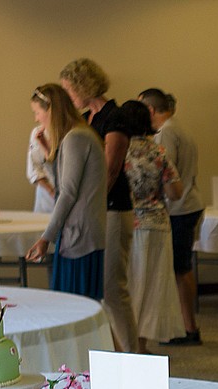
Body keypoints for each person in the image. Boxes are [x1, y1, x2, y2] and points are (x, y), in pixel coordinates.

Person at [59, 57, 137, 352]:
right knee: (101, 289)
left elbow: (111, 169)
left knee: (114, 289)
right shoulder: (88, 120)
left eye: (69, 88)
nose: (68, 95)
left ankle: (131, 355)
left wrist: (86, 205)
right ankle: (113, 351)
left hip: (114, 208)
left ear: (83, 86)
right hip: (98, 211)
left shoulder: (114, 117)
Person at [24, 84, 105, 301]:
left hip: (81, 234)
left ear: (50, 109)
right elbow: (62, 185)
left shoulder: (76, 138)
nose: (36, 119)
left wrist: (45, 238)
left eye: (37, 112)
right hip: (77, 232)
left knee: (75, 303)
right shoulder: (76, 135)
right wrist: (47, 151)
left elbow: (67, 193)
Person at [140, 87, 205, 347]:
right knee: (182, 267)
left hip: (179, 206)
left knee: (180, 269)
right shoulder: (180, 127)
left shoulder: (166, 132)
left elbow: (165, 172)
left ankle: (188, 326)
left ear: (151, 110)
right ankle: (188, 325)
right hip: (190, 202)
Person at [120, 100, 184, 350]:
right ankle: (143, 343)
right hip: (156, 223)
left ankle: (127, 342)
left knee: (129, 284)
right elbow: (175, 191)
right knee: (153, 286)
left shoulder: (118, 150)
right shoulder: (158, 152)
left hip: (128, 222)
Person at [26, 124, 55, 213]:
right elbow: (34, 168)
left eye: (38, 113)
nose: (36, 118)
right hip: (46, 197)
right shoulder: (38, 133)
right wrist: (51, 191)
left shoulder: (74, 133)